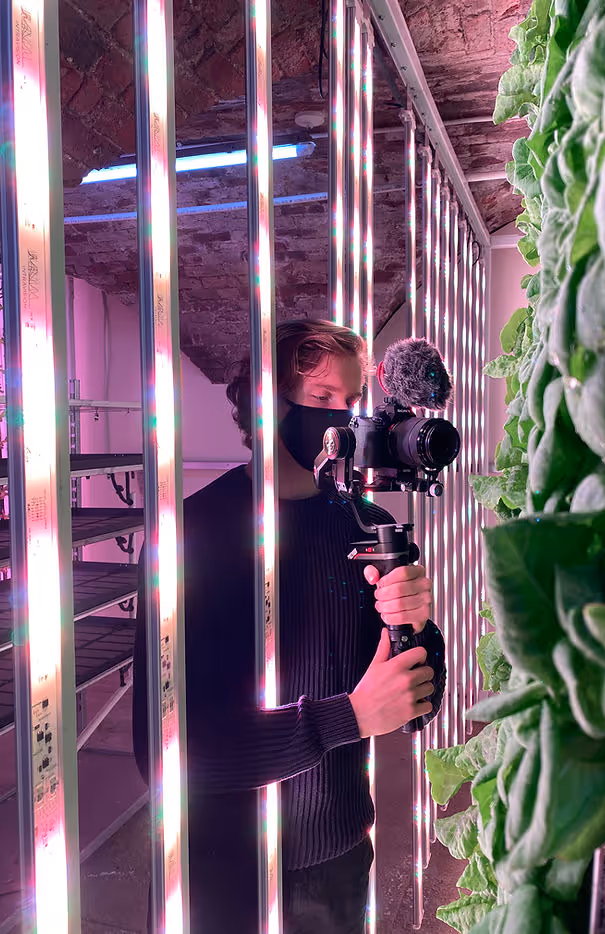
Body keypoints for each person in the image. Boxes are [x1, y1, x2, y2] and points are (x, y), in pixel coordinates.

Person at [132, 319, 445, 933]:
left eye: (352, 402)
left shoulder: (369, 525)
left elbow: (414, 705)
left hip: (337, 858)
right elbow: (166, 750)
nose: (343, 418)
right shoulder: (188, 536)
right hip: (221, 866)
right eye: (322, 399)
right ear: (263, 404)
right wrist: (346, 719)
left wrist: (418, 629)